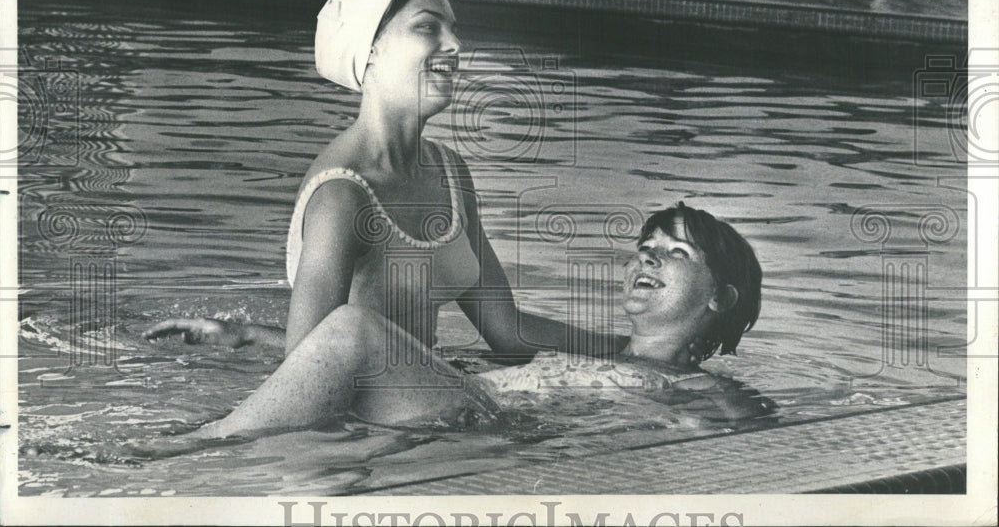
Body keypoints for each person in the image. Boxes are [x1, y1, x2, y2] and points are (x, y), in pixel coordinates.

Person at [146, 200, 765, 438]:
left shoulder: (706, 391)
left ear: (720, 299)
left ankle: (185, 451)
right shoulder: (600, 353)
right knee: (355, 331)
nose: (647, 257)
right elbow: (454, 361)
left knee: (355, 327)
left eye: (676, 253)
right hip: (461, 405)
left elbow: (761, 446)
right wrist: (248, 336)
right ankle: (192, 440)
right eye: (644, 249)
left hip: (482, 424)